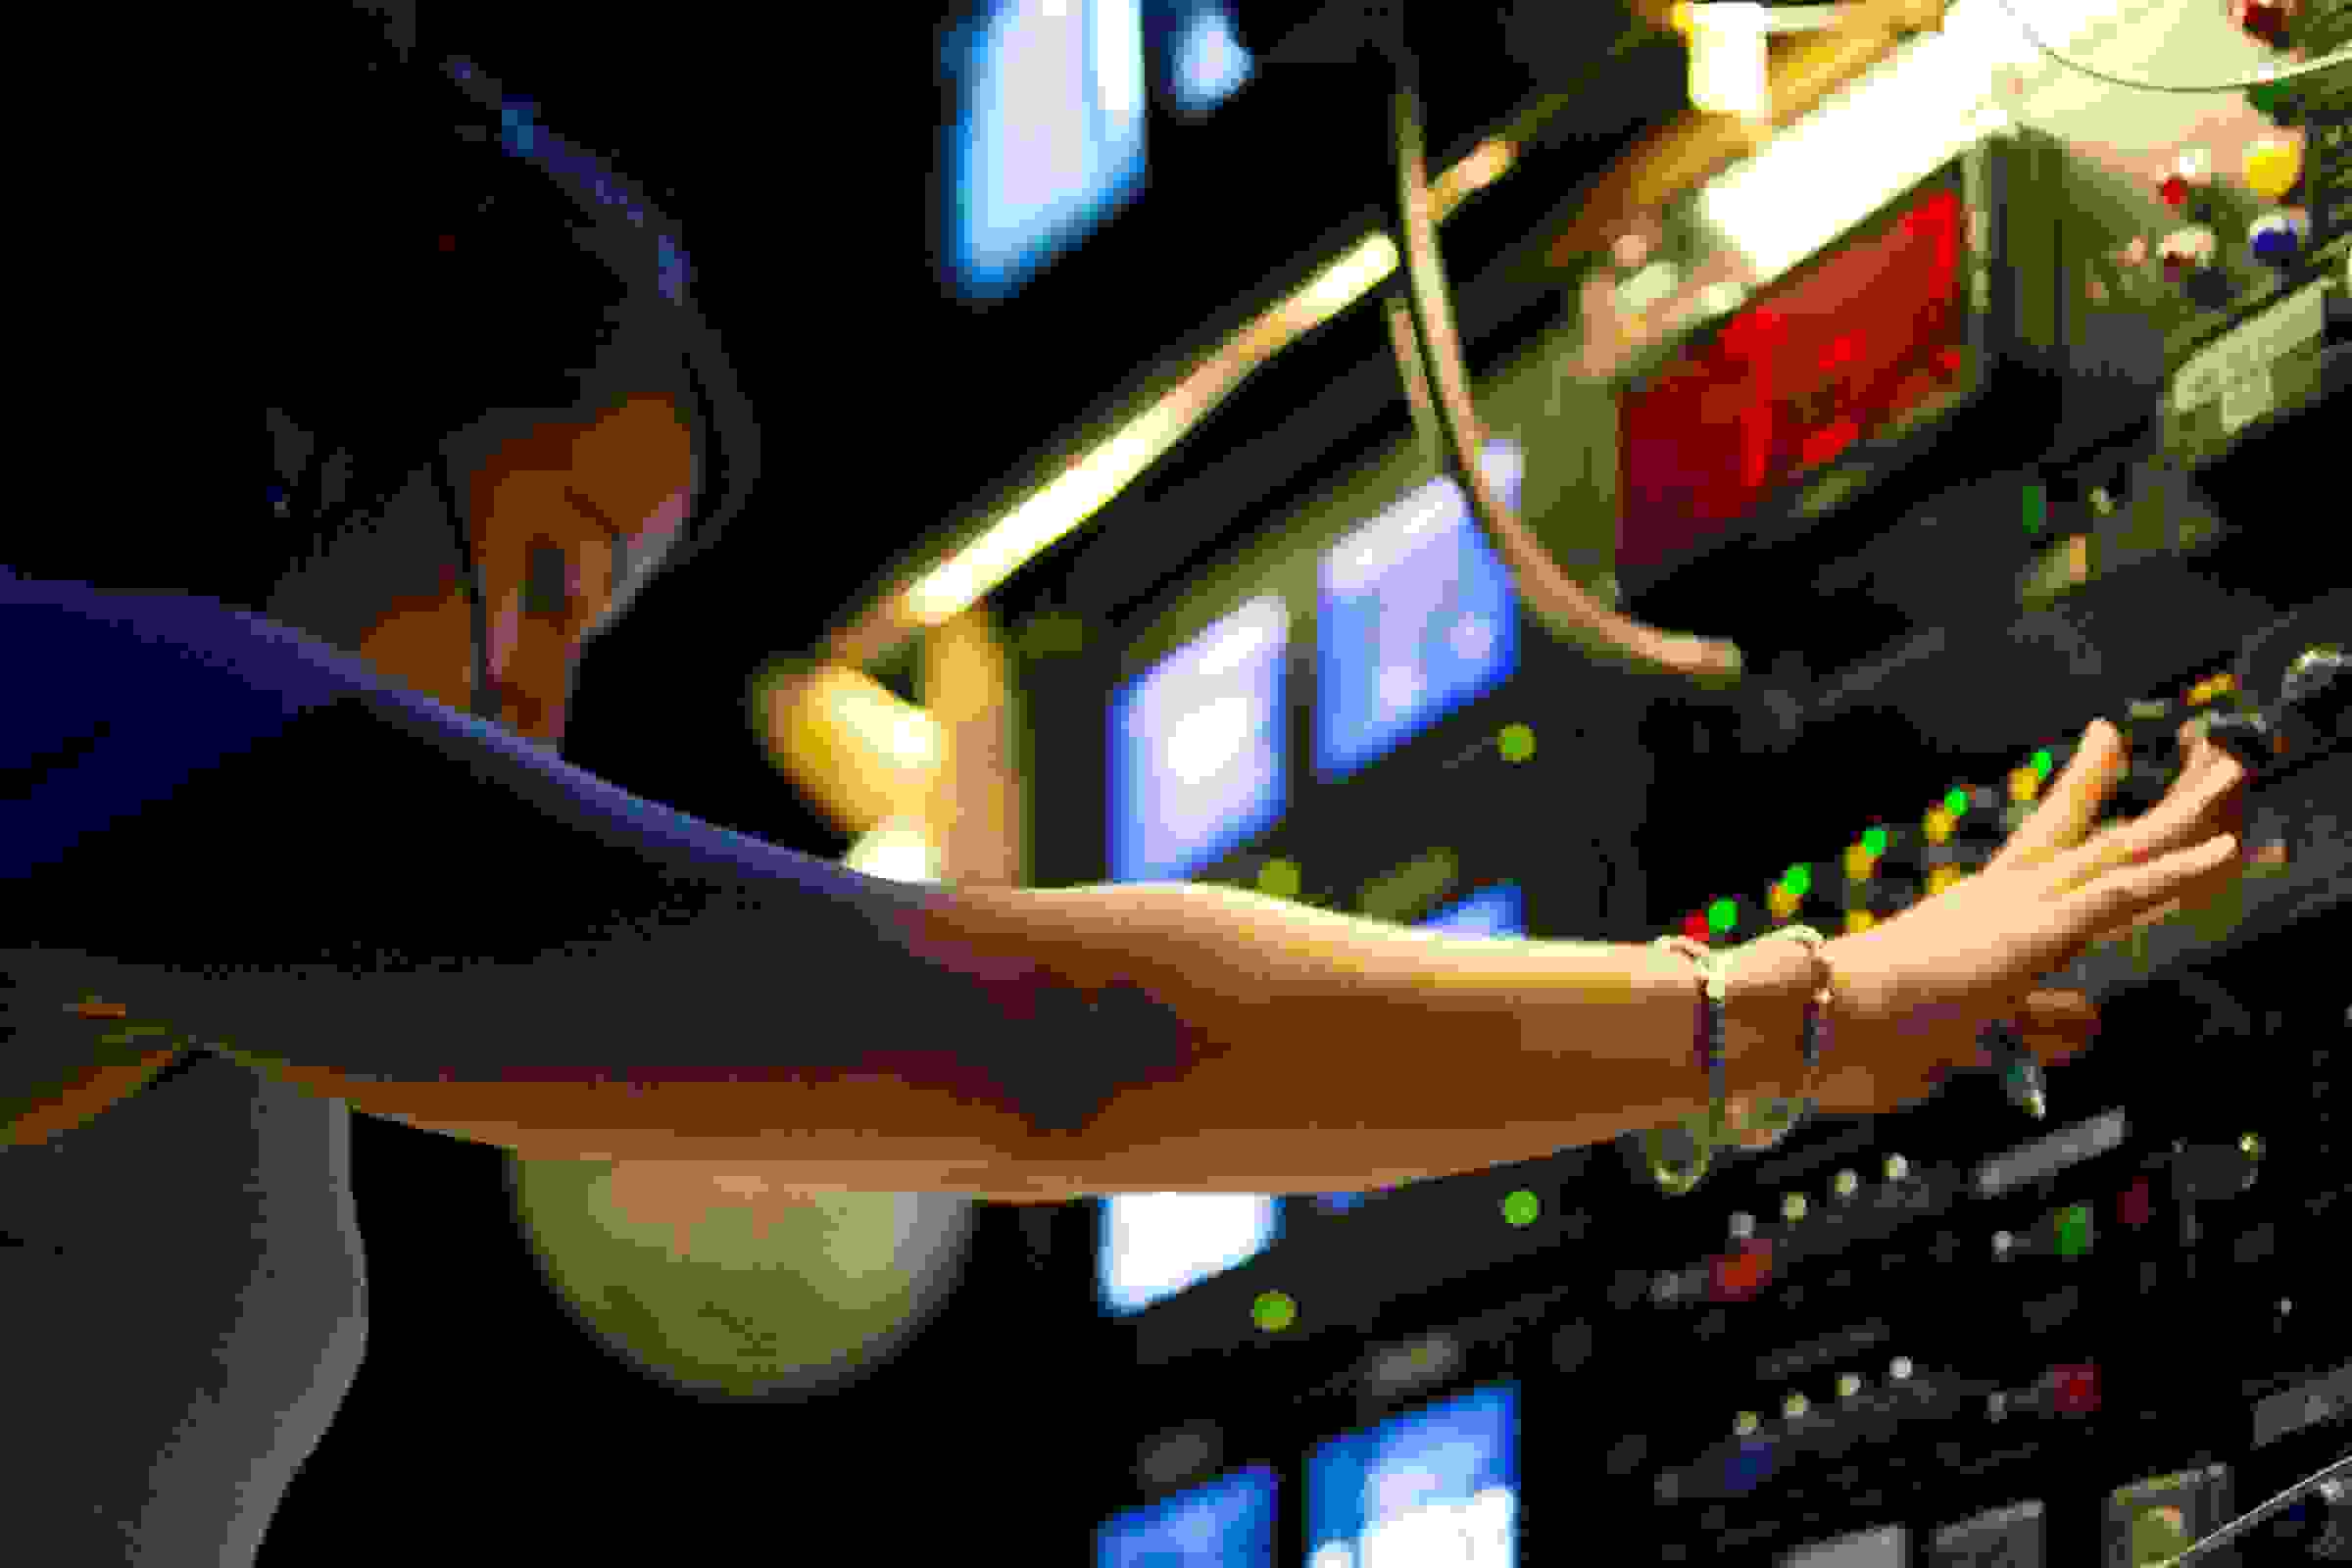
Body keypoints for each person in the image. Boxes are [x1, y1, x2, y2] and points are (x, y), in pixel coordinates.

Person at [3, 15, 2268, 1566]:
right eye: (541, 573)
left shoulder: (181, 933)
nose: (538, 710)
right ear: (313, 427)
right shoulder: (87, 717)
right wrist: (1802, 1007)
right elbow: (1028, 1042)